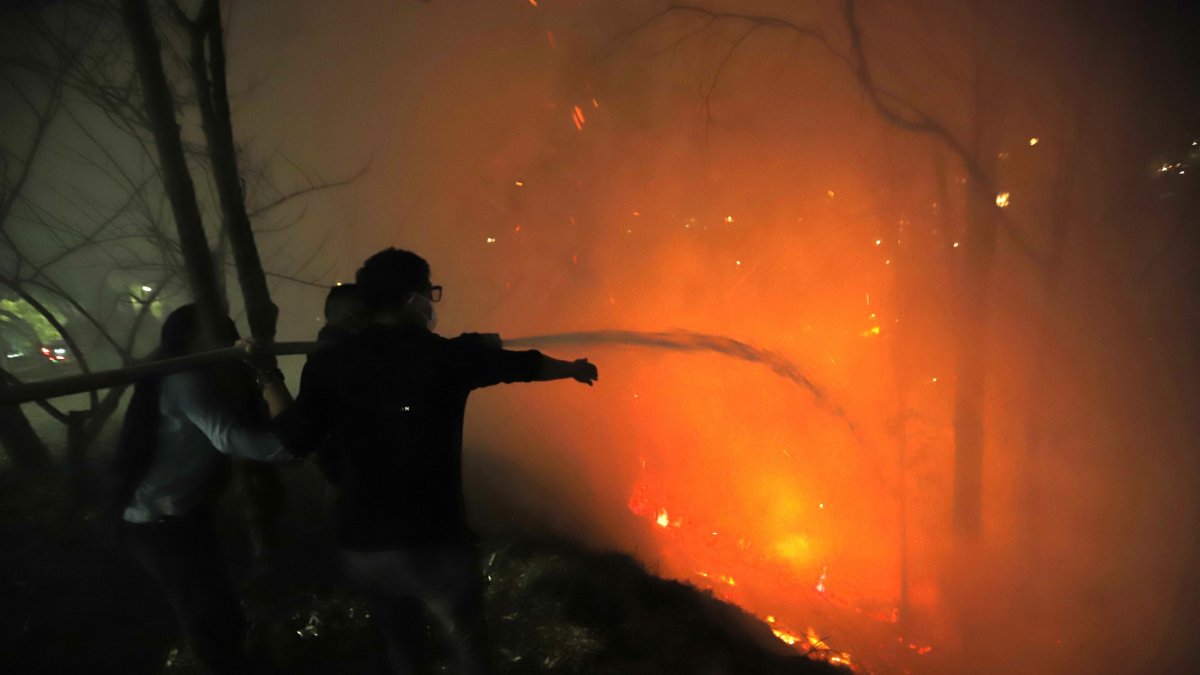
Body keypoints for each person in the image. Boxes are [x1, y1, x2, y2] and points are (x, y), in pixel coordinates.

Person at [266, 248, 598, 674]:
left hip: (366, 545)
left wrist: (267, 376)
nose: (430, 301)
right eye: (428, 291)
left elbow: (295, 438)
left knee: (403, 647)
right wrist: (572, 368)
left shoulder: (329, 363)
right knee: (469, 648)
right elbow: (520, 366)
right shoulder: (443, 357)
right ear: (412, 298)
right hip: (433, 542)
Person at [110, 304, 295, 674]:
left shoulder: (197, 372)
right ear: (190, 339)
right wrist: (295, 445)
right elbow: (229, 438)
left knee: (214, 605)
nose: (229, 339)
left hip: (178, 513)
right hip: (158, 519)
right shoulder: (184, 376)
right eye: (217, 331)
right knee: (205, 613)